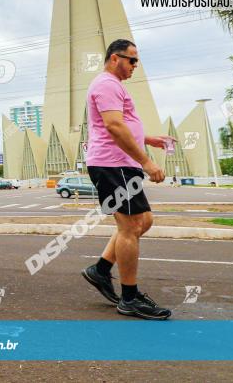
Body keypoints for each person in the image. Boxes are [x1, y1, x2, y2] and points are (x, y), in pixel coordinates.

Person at [80, 39, 173, 320]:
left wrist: (147, 139)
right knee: (130, 225)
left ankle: (101, 269)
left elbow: (120, 125)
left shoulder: (115, 86)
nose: (135, 66)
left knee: (142, 221)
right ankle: (129, 298)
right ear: (114, 59)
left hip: (120, 164)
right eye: (131, 60)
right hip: (112, 164)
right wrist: (146, 161)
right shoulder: (107, 84)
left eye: (136, 61)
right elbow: (113, 125)